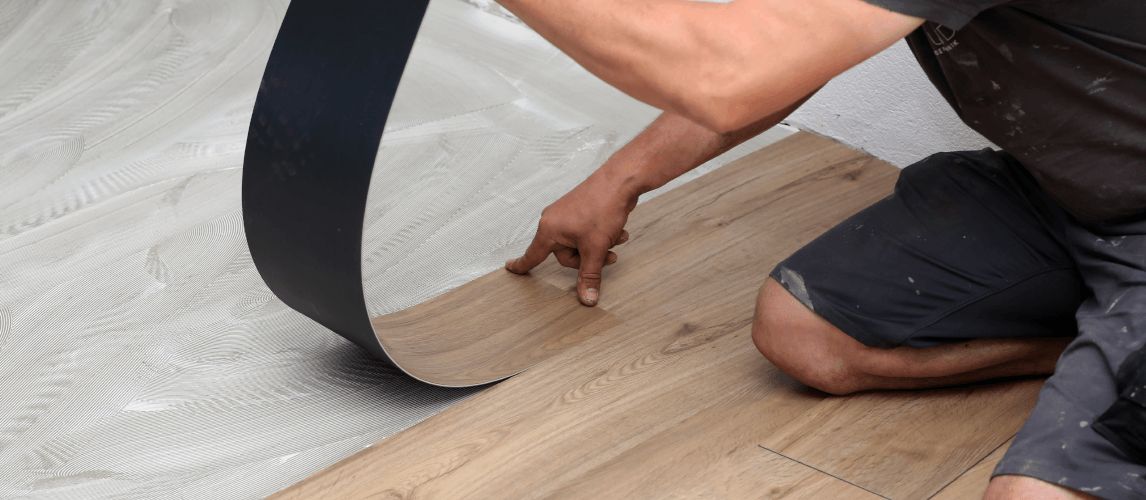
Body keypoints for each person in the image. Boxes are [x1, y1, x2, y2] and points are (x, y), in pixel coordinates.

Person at [496, 0, 1145, 497]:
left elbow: (726, 72)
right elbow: (787, 57)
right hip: (1065, 194)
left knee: (1030, 494)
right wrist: (620, 180)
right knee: (801, 335)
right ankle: (1085, 343)